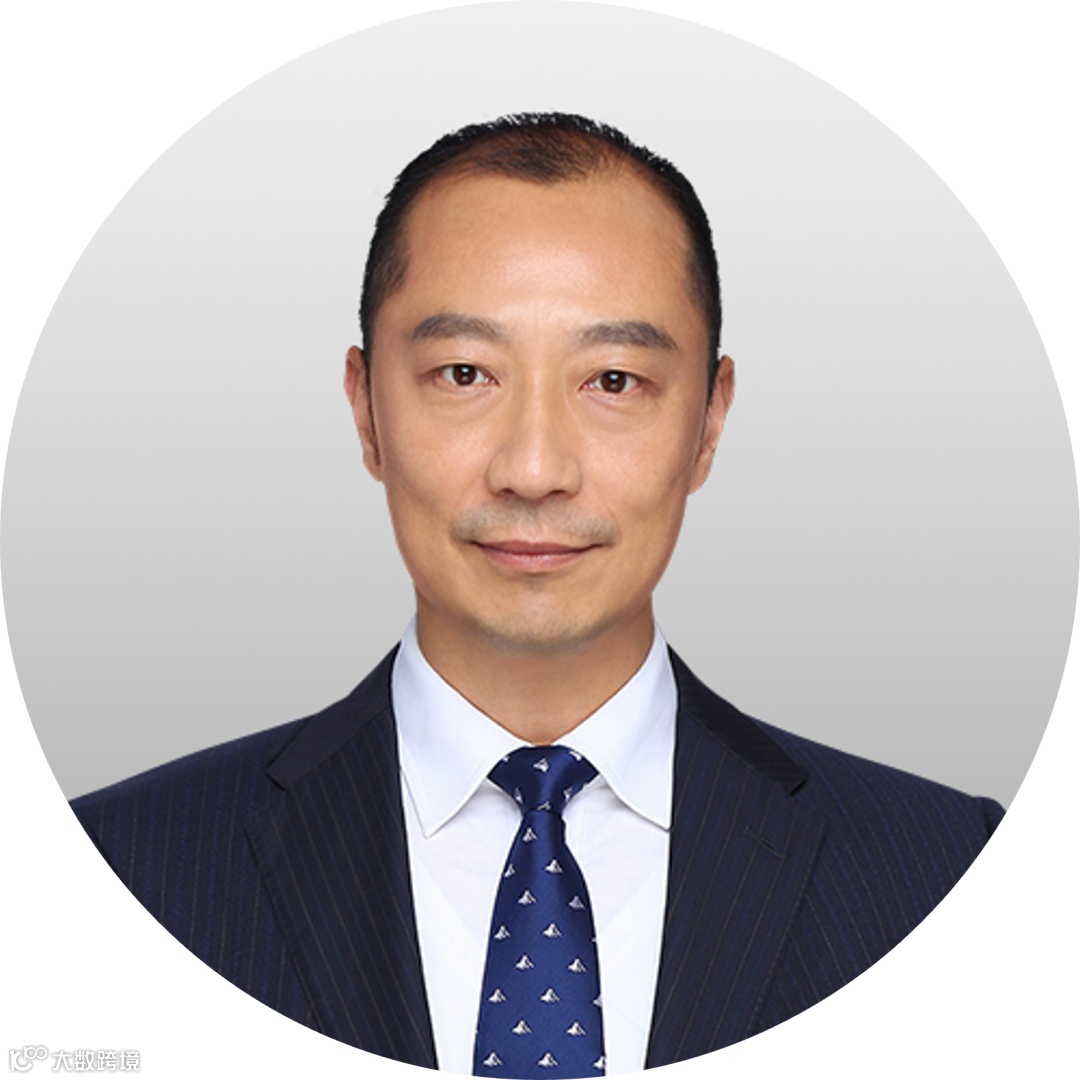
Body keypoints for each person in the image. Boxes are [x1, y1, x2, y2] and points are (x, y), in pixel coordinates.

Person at [70, 114, 1003, 1078]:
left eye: (614, 380)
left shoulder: (945, 872)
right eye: (464, 373)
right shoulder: (120, 869)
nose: (534, 468)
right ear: (366, 409)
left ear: (709, 423)